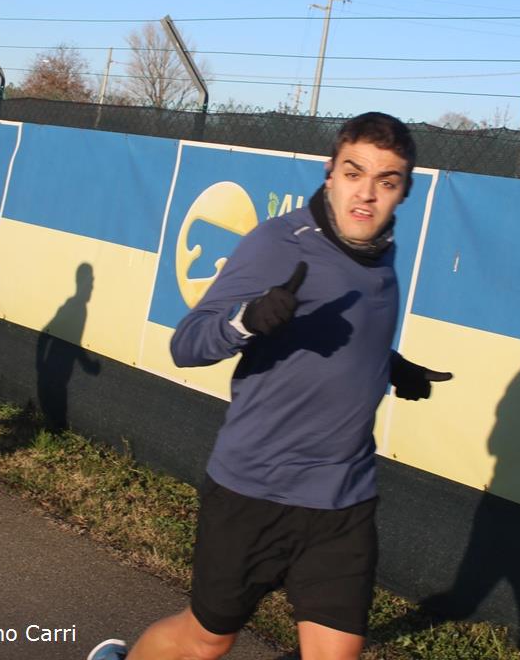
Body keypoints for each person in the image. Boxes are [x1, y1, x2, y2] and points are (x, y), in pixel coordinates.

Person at [88, 112, 452, 660]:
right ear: (330, 172)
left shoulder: (384, 253)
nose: (366, 194)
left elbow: (353, 331)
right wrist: (247, 320)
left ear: (405, 191)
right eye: (354, 173)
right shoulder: (278, 244)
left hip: (343, 499)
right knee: (206, 640)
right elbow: (186, 345)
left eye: (386, 181)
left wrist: (391, 365)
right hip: (254, 491)